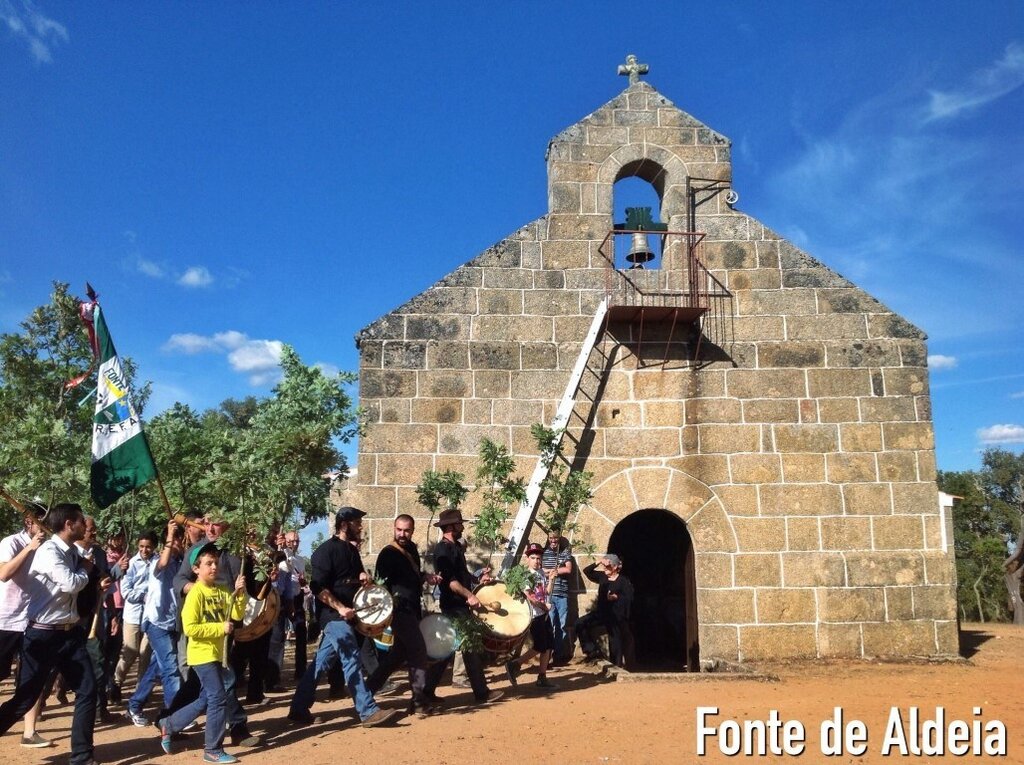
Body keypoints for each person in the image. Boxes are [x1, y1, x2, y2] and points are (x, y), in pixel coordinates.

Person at [0, 503, 107, 765]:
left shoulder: (72, 552)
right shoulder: (49, 551)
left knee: (87, 690)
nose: (86, 525)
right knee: (25, 699)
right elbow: (70, 584)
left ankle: (82, 756)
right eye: (81, 521)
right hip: (42, 635)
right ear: (69, 524)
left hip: (69, 635)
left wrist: (93, 577)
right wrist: (86, 569)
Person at [287, 506, 395, 727]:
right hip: (333, 616)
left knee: (320, 663)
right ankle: (367, 711)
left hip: (349, 614)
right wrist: (340, 608)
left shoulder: (352, 551)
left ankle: (298, 708)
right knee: (351, 658)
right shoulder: (324, 551)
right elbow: (318, 587)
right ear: (344, 524)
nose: (360, 526)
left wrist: (363, 577)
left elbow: (354, 577)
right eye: (357, 523)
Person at [168, 514, 261, 748]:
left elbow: (252, 587)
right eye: (207, 522)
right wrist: (201, 591)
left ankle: (168, 721)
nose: (209, 527)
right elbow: (178, 581)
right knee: (223, 681)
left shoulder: (237, 551)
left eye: (216, 523)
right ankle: (237, 729)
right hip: (203, 627)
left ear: (227, 526)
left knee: (203, 687)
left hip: (227, 626)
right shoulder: (198, 552)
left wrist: (267, 575)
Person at [159, 541, 247, 764]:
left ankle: (168, 725)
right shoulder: (196, 594)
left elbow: (235, 614)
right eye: (208, 564)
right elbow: (190, 629)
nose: (214, 567)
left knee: (207, 698)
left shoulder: (222, 590)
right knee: (218, 698)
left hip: (218, 653)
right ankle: (213, 749)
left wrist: (239, 594)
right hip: (201, 654)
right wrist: (219, 628)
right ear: (196, 569)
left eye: (215, 563)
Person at [423, 508, 503, 705]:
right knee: (469, 648)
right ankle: (481, 693)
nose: (462, 526)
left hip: (459, 605)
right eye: (459, 523)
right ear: (451, 526)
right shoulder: (443, 551)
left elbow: (462, 577)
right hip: (454, 606)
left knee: (451, 650)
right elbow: (449, 581)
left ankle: (426, 693)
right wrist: (470, 596)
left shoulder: (455, 548)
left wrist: (477, 579)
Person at [366, 514, 439, 716]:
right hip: (399, 611)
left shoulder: (412, 550)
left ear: (412, 530)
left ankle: (365, 692)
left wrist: (426, 577)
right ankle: (418, 701)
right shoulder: (387, 554)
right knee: (418, 651)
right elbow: (381, 587)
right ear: (394, 528)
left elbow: (413, 577)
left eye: (406, 530)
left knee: (396, 656)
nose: (402, 534)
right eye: (399, 529)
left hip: (413, 608)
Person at [0, 502, 51, 748]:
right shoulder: (10, 543)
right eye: (40, 521)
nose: (44, 527)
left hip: (33, 621)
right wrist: (30, 548)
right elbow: (4, 573)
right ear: (29, 522)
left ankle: (29, 732)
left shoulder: (48, 549)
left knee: (32, 678)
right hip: (6, 620)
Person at [125, 520, 185, 726]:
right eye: (175, 540)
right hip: (156, 623)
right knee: (171, 669)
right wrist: (170, 534)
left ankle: (134, 705)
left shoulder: (181, 564)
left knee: (156, 669)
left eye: (180, 540)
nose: (179, 544)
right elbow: (162, 564)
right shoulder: (156, 562)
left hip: (172, 623)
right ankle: (174, 717)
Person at [113, 531, 157, 701]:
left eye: (148, 547)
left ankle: (141, 690)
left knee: (145, 652)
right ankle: (117, 682)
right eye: (141, 547)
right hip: (132, 614)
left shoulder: (157, 562)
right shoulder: (130, 563)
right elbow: (126, 591)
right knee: (130, 651)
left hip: (150, 615)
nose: (144, 550)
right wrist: (143, 595)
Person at [505, 542, 555, 688]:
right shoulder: (526, 575)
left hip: (544, 613)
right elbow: (530, 597)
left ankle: (542, 677)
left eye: (539, 558)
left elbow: (546, 592)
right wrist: (543, 606)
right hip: (534, 615)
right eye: (533, 558)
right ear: (527, 559)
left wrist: (551, 579)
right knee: (540, 646)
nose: (537, 561)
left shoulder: (540, 573)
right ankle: (515, 664)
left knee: (549, 645)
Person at [575, 554, 633, 667]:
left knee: (615, 640)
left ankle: (617, 666)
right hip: (601, 613)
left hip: (616, 616)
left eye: (608, 566)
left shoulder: (623, 581)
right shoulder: (602, 577)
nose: (605, 568)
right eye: (605, 567)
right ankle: (591, 651)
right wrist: (599, 561)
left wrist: (616, 598)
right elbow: (587, 571)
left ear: (615, 567)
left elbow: (629, 598)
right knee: (579, 623)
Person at [541, 529, 573, 664]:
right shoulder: (544, 553)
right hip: (549, 593)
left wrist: (554, 571)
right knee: (551, 625)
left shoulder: (565, 552)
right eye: (551, 538)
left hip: (562, 594)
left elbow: (568, 569)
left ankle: (558, 655)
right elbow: (539, 569)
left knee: (562, 626)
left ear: (559, 539)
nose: (553, 541)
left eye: (555, 538)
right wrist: (549, 572)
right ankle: (547, 657)